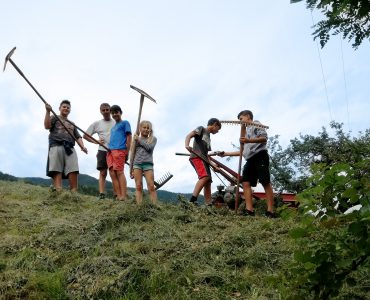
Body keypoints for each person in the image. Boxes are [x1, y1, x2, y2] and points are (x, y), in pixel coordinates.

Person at [220, 110, 275, 217]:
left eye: (241, 119)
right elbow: (242, 152)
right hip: (250, 159)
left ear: (248, 116)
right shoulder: (245, 132)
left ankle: (270, 210)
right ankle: (249, 210)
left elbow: (264, 139)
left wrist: (248, 141)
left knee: (265, 181)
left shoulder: (256, 124)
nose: (240, 121)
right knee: (245, 182)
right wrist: (226, 153)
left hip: (260, 155)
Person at [44, 100, 88, 192]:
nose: (66, 108)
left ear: (70, 110)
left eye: (68, 107)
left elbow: (78, 136)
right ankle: (58, 190)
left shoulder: (72, 123)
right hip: (56, 145)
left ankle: (74, 191)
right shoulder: (54, 117)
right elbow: (47, 126)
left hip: (70, 147)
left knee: (73, 169)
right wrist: (48, 111)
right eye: (64, 107)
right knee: (57, 168)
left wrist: (82, 147)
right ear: (59, 108)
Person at [185, 118, 222, 205]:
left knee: (208, 181)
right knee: (204, 177)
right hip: (197, 157)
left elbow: (206, 154)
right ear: (215, 124)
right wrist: (187, 145)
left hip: (204, 159)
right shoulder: (201, 129)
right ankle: (191, 202)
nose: (218, 131)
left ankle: (208, 205)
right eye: (218, 128)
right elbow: (189, 136)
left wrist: (214, 166)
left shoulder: (209, 138)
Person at [83, 103, 115, 200]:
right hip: (102, 150)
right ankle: (102, 194)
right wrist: (96, 142)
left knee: (114, 172)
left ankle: (116, 194)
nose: (105, 111)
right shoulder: (97, 123)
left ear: (110, 110)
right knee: (103, 172)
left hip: (113, 151)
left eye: (107, 109)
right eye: (103, 110)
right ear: (100, 111)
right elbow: (85, 135)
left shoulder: (115, 122)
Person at [107, 105, 132, 201]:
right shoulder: (113, 128)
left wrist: (127, 151)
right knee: (112, 173)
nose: (114, 114)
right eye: (112, 113)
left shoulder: (125, 123)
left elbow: (129, 137)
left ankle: (124, 195)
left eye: (116, 112)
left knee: (119, 172)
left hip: (120, 150)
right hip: (110, 151)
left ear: (120, 112)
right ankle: (118, 195)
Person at [130, 120, 157, 204]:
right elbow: (132, 155)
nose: (146, 129)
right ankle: (139, 206)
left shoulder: (153, 139)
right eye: (144, 127)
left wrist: (139, 140)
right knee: (138, 186)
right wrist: (130, 169)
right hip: (137, 164)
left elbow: (149, 148)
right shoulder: (135, 139)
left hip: (148, 164)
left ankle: (154, 206)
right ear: (140, 128)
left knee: (151, 186)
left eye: (148, 128)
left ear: (150, 130)